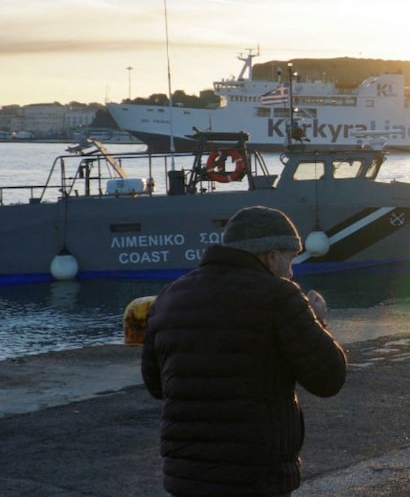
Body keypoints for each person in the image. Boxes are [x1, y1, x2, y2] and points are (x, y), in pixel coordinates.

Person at [141, 205, 348, 496]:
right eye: (289, 260)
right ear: (272, 256)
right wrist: (319, 322)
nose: (291, 271)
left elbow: (157, 386)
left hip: (186, 477)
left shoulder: (170, 296)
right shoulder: (280, 296)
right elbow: (329, 378)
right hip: (257, 476)